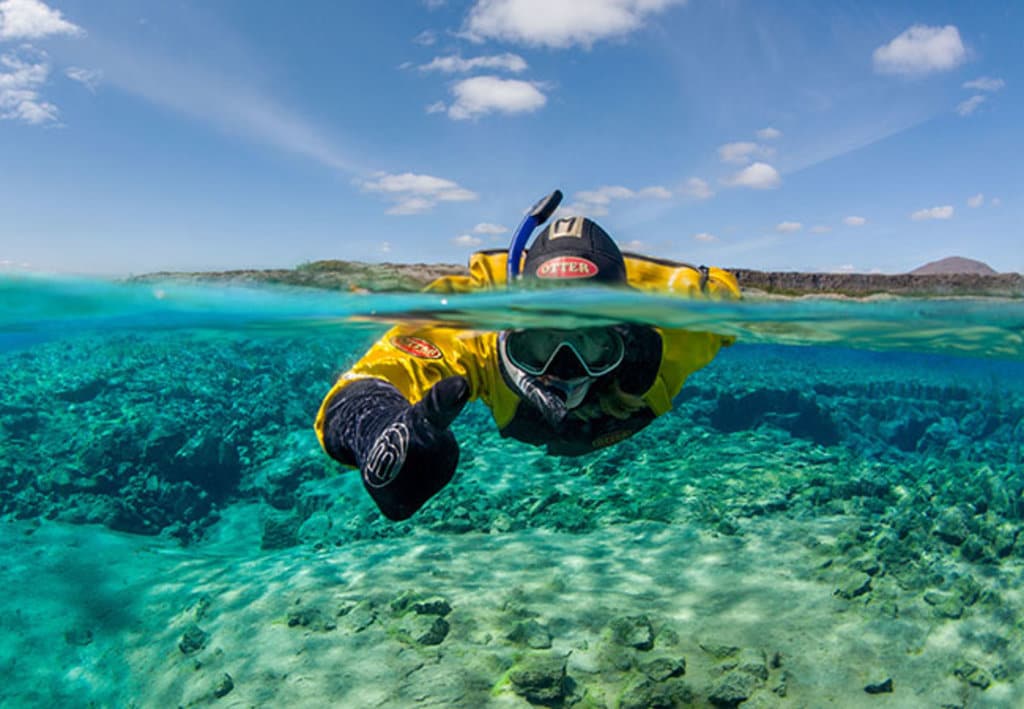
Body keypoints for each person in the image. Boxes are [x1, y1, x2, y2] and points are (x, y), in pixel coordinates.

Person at [315, 206, 741, 521]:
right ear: (511, 334)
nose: (564, 369)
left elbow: (728, 299)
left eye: (592, 344)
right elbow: (383, 369)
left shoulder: (680, 330)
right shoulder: (477, 329)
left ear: (626, 341)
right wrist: (374, 428)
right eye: (539, 345)